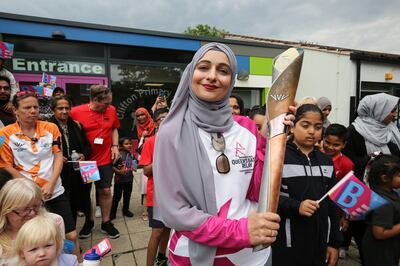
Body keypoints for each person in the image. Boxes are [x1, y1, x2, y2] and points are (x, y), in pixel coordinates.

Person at [153, 43, 294, 265]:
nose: (212, 76)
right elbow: (174, 213)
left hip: (254, 256)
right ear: (191, 73)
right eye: (204, 67)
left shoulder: (247, 127)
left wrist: (273, 135)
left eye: (223, 70)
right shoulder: (172, 132)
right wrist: (241, 231)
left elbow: (258, 191)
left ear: (232, 80)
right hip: (194, 257)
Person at [0, 91, 81, 260]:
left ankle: (76, 262)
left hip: (55, 190)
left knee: (71, 235)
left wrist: (51, 183)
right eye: (27, 107)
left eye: (35, 107)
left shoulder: (50, 128)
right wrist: (31, 189)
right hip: (27, 197)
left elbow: (58, 155)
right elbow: (6, 164)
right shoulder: (5, 134)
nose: (32, 111)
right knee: (35, 239)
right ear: (15, 110)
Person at [272, 104, 342, 266]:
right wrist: (296, 206)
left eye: (318, 127)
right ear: (293, 125)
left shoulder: (326, 161)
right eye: (305, 125)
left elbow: (332, 204)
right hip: (287, 243)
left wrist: (334, 242)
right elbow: (268, 198)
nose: (312, 131)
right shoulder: (279, 156)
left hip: (319, 243)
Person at [342, 92, 400, 264]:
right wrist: (372, 159)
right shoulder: (355, 132)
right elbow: (348, 161)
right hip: (365, 195)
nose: (394, 114)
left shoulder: (391, 130)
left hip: (391, 189)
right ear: (378, 110)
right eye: (391, 111)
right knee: (368, 241)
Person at [70, 84, 120, 239]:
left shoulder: (111, 110)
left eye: (109, 102)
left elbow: (114, 129)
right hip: (88, 162)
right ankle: (89, 221)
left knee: (105, 190)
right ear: (93, 100)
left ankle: (106, 222)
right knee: (87, 193)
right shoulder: (75, 112)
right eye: (105, 103)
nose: (108, 106)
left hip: (105, 159)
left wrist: (115, 146)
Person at [49, 96, 92, 228]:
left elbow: (87, 146)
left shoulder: (76, 125)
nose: (64, 111)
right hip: (60, 174)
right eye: (60, 108)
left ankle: (87, 224)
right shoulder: (46, 127)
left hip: (79, 170)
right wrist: (55, 157)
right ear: (53, 110)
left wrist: (83, 154)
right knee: (65, 204)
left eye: (67, 108)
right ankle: (68, 231)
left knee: (84, 198)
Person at [0, 178, 65, 265]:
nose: (32, 213)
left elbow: (61, 257)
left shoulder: (55, 222)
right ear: (5, 210)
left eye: (36, 206)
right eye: (24, 209)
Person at [140, 107, 170, 266]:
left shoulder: (176, 140)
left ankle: (161, 257)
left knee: (167, 228)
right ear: (156, 123)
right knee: (157, 231)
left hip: (174, 194)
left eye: (168, 118)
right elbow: (145, 170)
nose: (165, 122)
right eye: (161, 119)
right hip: (157, 195)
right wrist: (162, 158)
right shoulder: (150, 142)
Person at [321, 123, 354, 259]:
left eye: (336, 145)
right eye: (327, 142)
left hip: (335, 210)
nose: (330, 147)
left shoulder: (347, 164)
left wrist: (345, 217)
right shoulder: (315, 155)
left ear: (344, 145)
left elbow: (349, 192)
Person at [362, 155, 400, 266]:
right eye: (398, 175)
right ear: (384, 178)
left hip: (388, 247)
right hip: (380, 251)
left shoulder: (389, 194)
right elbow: (379, 233)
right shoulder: (384, 203)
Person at [14, 214, 78, 266]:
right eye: (33, 249)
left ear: (57, 244)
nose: (42, 254)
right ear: (22, 253)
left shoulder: (70, 261)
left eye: (48, 246)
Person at [135, 107, 155, 220]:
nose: (141, 117)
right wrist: (143, 136)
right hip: (146, 157)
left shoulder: (154, 125)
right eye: (138, 116)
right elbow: (140, 146)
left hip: (157, 154)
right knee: (146, 183)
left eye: (143, 114)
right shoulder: (139, 129)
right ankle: (146, 209)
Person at [110, 137, 137, 220]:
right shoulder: (118, 155)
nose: (129, 145)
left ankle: (125, 210)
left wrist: (134, 166)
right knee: (116, 197)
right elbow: (111, 166)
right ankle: (112, 212)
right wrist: (118, 171)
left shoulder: (131, 154)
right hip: (119, 180)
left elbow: (134, 163)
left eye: (130, 144)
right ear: (121, 146)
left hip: (129, 179)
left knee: (127, 195)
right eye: (126, 144)